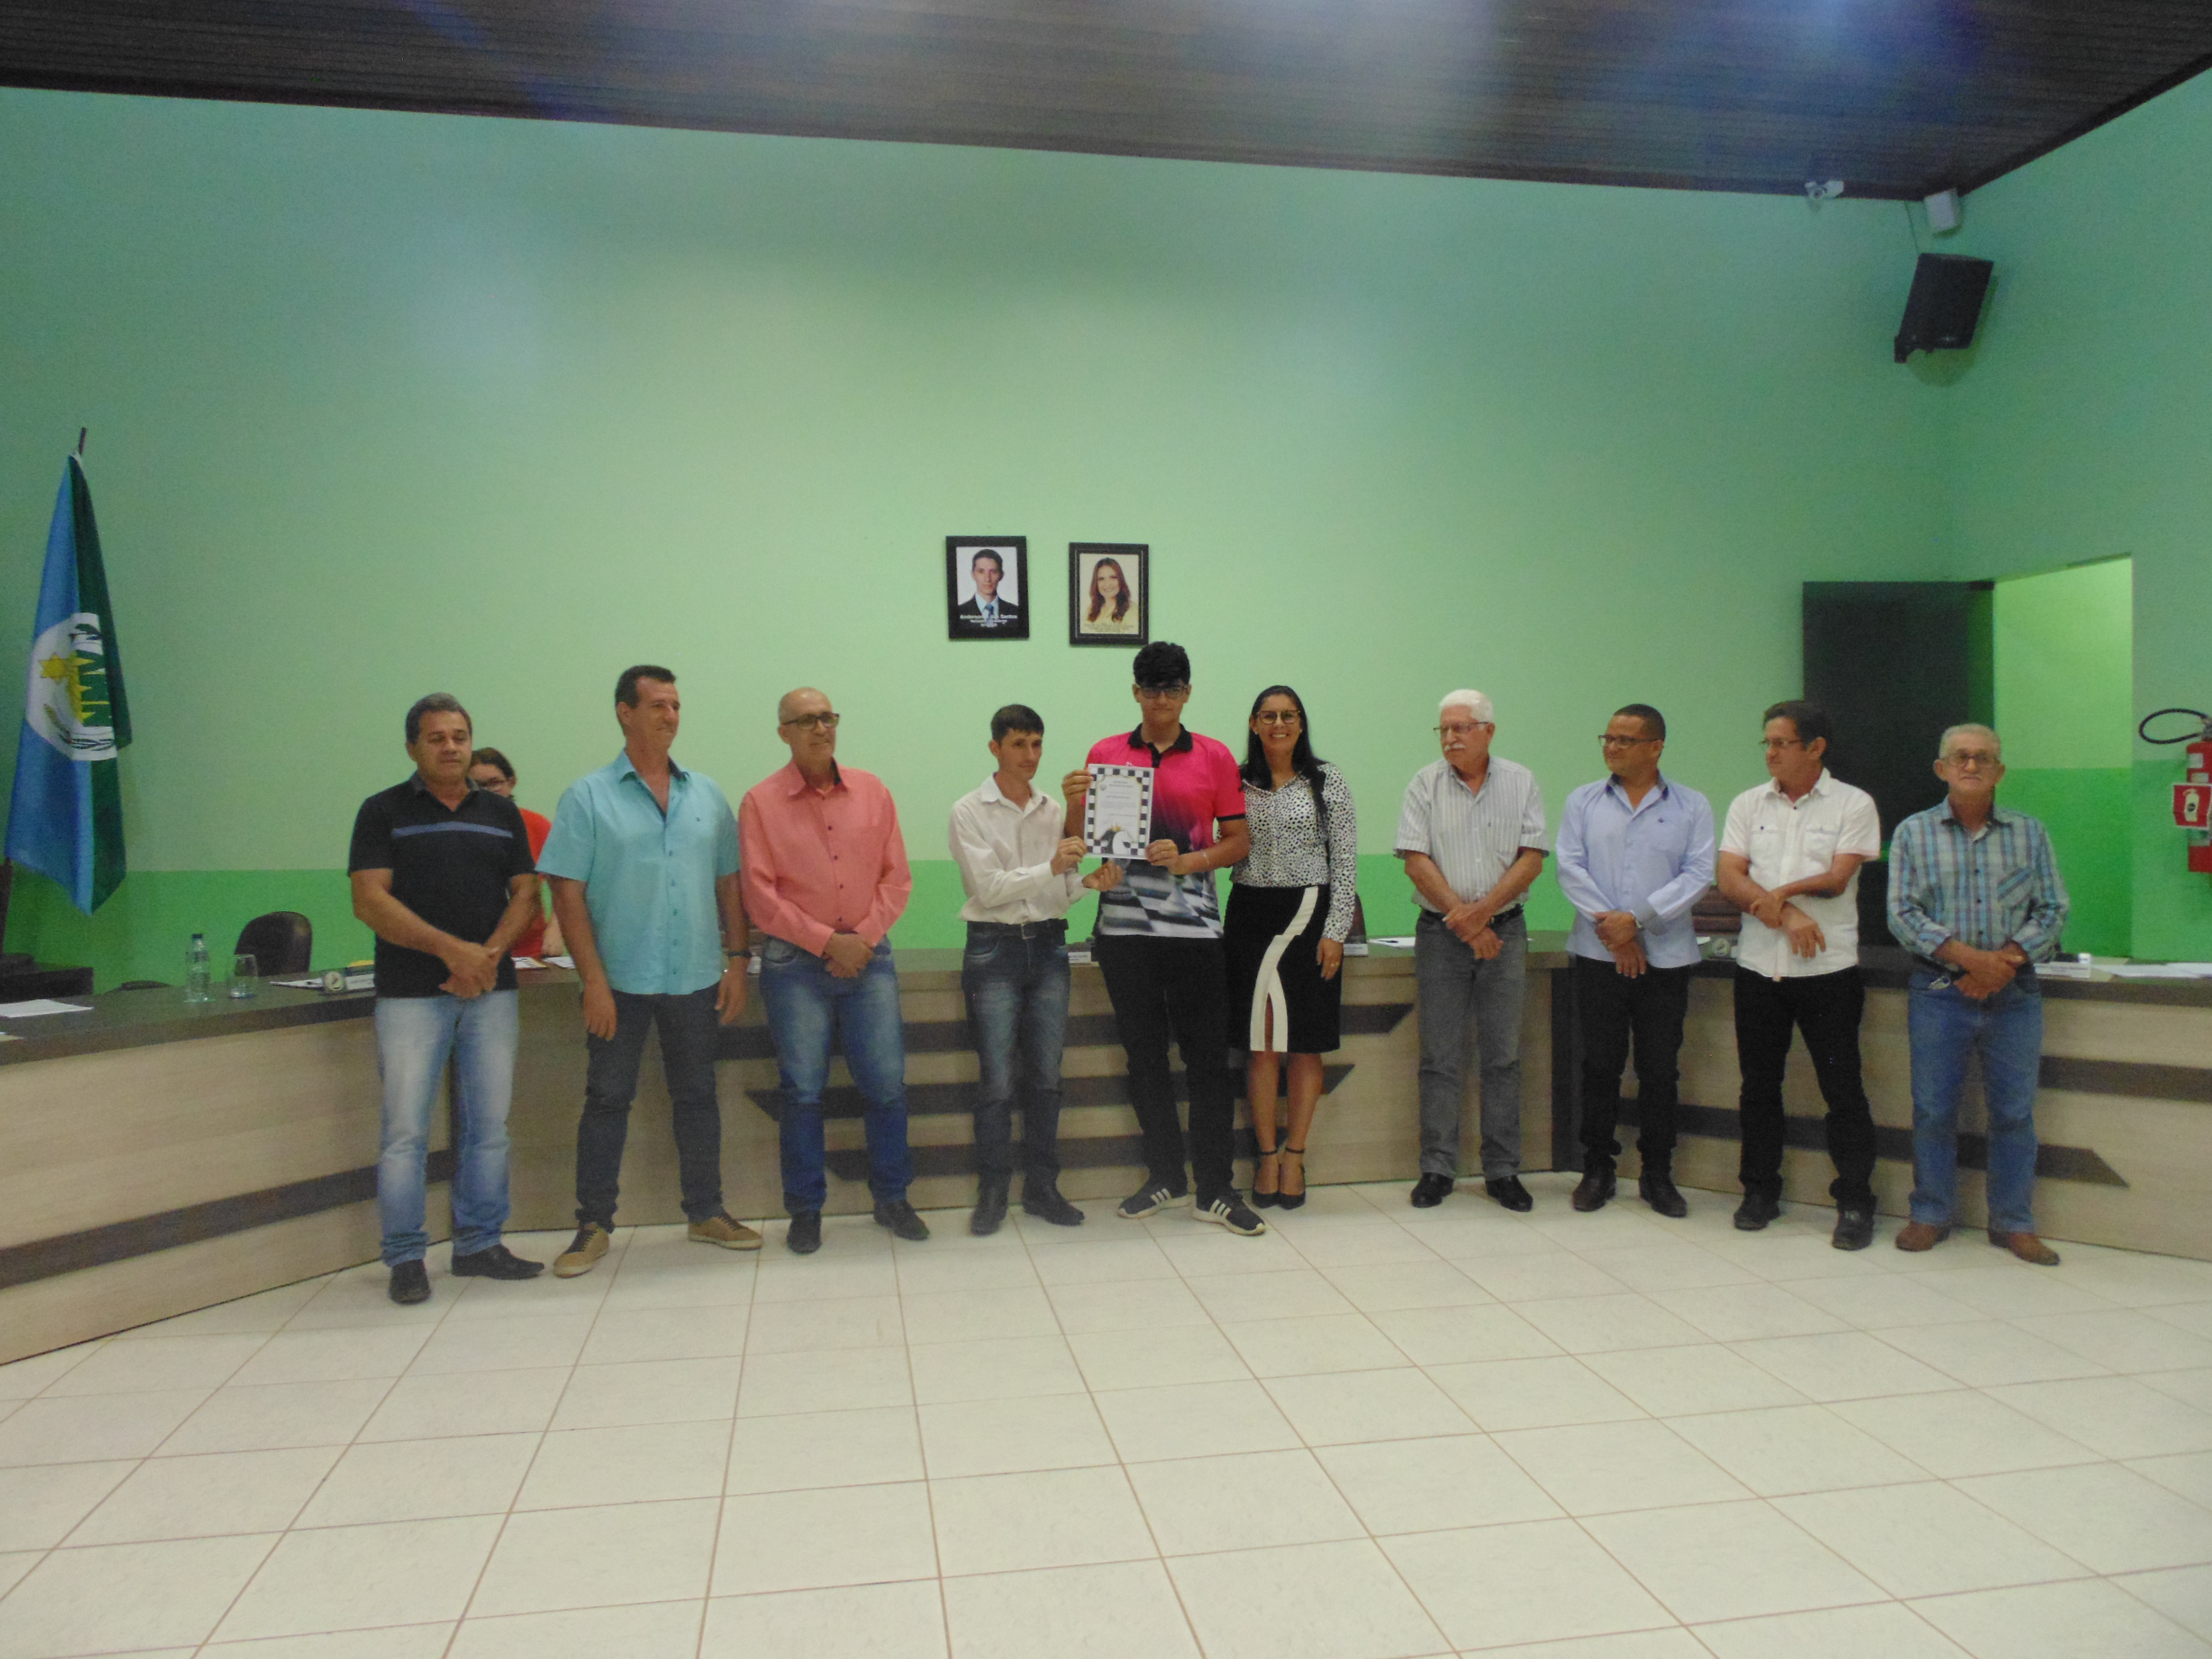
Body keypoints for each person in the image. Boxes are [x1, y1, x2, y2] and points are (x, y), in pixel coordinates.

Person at [538, 666, 757, 1277]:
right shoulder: (588, 797)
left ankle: (706, 1212)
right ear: (624, 712)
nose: (671, 716)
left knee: (698, 1096)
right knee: (608, 1099)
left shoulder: (705, 794)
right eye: (658, 705)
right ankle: (593, 1225)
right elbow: (567, 894)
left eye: (676, 705)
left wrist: (737, 962)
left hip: (695, 977)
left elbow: (729, 884)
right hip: (620, 983)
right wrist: (593, 983)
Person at [349, 694, 543, 1305]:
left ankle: (479, 1245)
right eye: (436, 738)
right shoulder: (381, 811)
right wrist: (452, 953)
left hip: (490, 991)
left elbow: (525, 894)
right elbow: (369, 900)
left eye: (460, 736)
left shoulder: (501, 813)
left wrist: (485, 957)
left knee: (489, 1127)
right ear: (413, 747)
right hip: (411, 994)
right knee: (406, 1132)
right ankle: (407, 1257)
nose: (451, 747)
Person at [1067, 640, 1265, 1235]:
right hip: (1123, 932)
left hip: (1196, 931)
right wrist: (1074, 803)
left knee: (1206, 1061)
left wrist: (1190, 861)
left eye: (1172, 689)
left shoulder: (1215, 756)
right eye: (1152, 689)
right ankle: (1166, 1177)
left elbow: (1239, 842)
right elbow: (1081, 842)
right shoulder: (1105, 754)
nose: (1161, 700)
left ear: (1187, 693)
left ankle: (1215, 1189)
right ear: (1136, 692)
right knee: (1145, 1059)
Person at [742, 687, 928, 1254]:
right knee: (802, 1091)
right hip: (794, 966)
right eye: (806, 721)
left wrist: (861, 939)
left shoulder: (872, 791)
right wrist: (828, 943)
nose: (820, 728)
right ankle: (805, 1211)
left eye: (827, 717)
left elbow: (897, 878)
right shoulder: (760, 803)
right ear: (784, 733)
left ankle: (892, 1199)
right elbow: (759, 896)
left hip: (869, 958)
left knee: (886, 1086)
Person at [1888, 723, 2070, 1265]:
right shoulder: (1913, 833)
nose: (1972, 765)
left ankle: (2014, 1223)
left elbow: (2053, 909)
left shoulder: (2030, 833)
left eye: (1983, 758)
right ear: (1941, 768)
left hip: (2015, 992)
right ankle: (1930, 1214)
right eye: (1961, 757)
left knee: (2013, 1113)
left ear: (2000, 771)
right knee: (1934, 1110)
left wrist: (2002, 964)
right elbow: (1901, 913)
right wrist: (1972, 961)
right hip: (1939, 987)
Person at [1715, 701, 1885, 1249]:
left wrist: (1779, 893)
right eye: (1766, 743)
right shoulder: (1749, 803)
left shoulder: (1853, 804)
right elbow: (1729, 876)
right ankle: (1759, 1191)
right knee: (1759, 1087)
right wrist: (1785, 913)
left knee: (1842, 1089)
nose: (1769, 753)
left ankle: (1854, 1202)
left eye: (1780, 743)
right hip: (1759, 969)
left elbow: (1836, 880)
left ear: (1815, 748)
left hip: (1826, 973)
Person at [948, 704, 1122, 1233]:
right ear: (995, 748)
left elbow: (1057, 892)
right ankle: (993, 1193)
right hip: (993, 951)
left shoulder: (1052, 811)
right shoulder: (969, 810)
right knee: (998, 1084)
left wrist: (1086, 883)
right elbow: (989, 890)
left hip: (1048, 948)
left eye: (1037, 744)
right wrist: (1053, 867)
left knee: (1047, 1080)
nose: (1030, 755)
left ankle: (1043, 1189)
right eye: (1019, 744)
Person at [1556, 704, 1716, 1218]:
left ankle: (1657, 1174)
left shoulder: (1692, 805)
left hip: (1665, 960)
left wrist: (1638, 921)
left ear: (1656, 747)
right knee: (1600, 1066)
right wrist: (1615, 931)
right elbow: (1570, 867)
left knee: (1659, 1070)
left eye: (1624, 740)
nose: (1612, 747)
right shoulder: (1583, 801)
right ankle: (1597, 1169)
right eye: (1608, 738)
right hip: (1599, 955)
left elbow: (1698, 875)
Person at [1395, 691, 1549, 1212]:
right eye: (1443, 729)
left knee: (1502, 1056)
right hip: (1441, 935)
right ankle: (1437, 1168)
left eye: (1461, 728)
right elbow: (1415, 861)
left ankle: (1502, 1171)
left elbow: (1532, 860)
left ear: (1489, 731)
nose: (1450, 738)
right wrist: (1464, 921)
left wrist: (1482, 914)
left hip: (1504, 932)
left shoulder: (1521, 782)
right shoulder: (1425, 784)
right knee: (1439, 1057)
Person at [1228, 686, 1359, 1209]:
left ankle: (1296, 1157)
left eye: (1289, 715)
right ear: (1254, 724)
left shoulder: (1327, 780)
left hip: (1309, 915)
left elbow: (1345, 859)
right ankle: (1266, 1157)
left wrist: (1336, 930)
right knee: (1261, 1045)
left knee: (1305, 1043)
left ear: (1301, 723)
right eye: (1269, 716)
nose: (1279, 724)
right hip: (1250, 916)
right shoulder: (1235, 781)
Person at [468, 746, 564, 959]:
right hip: (473, 952)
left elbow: (565, 886)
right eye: (478, 785)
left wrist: (556, 931)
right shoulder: (459, 829)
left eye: (495, 783)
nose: (487, 792)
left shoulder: (536, 825)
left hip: (532, 951)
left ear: (511, 782)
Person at [955, 548, 1022, 629]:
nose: (987, 579)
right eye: (981, 572)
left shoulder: (1016, 612)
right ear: (973, 575)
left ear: (1001, 575)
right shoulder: (959, 613)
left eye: (993, 572)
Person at [1081, 558, 1141, 636]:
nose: (1107, 584)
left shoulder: (1133, 611)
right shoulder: (1091, 610)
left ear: (1121, 580)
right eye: (1101, 579)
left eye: (1113, 578)